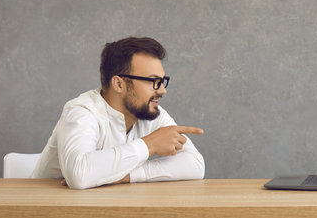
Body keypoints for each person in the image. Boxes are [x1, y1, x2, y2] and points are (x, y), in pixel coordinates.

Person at [31, 37, 205, 189]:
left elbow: (196, 164)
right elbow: (79, 175)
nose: (162, 91)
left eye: (162, 81)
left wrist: (128, 176)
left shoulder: (151, 112)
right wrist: (149, 145)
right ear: (119, 84)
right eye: (153, 81)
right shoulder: (81, 111)